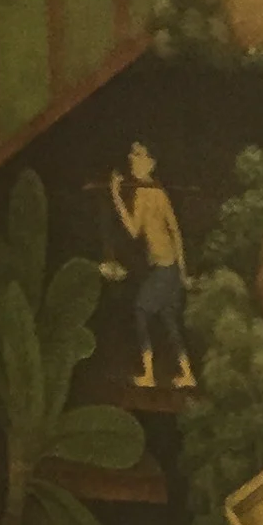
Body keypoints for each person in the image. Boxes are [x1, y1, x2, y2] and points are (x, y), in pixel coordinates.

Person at [106, 143, 193, 389]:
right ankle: (187, 373)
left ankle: (149, 374)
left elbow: (143, 231)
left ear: (151, 162)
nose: (132, 159)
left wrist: (115, 195)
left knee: (141, 311)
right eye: (131, 155)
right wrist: (182, 270)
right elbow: (142, 230)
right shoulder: (152, 193)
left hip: (166, 266)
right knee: (168, 319)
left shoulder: (151, 193)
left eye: (139, 155)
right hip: (167, 266)